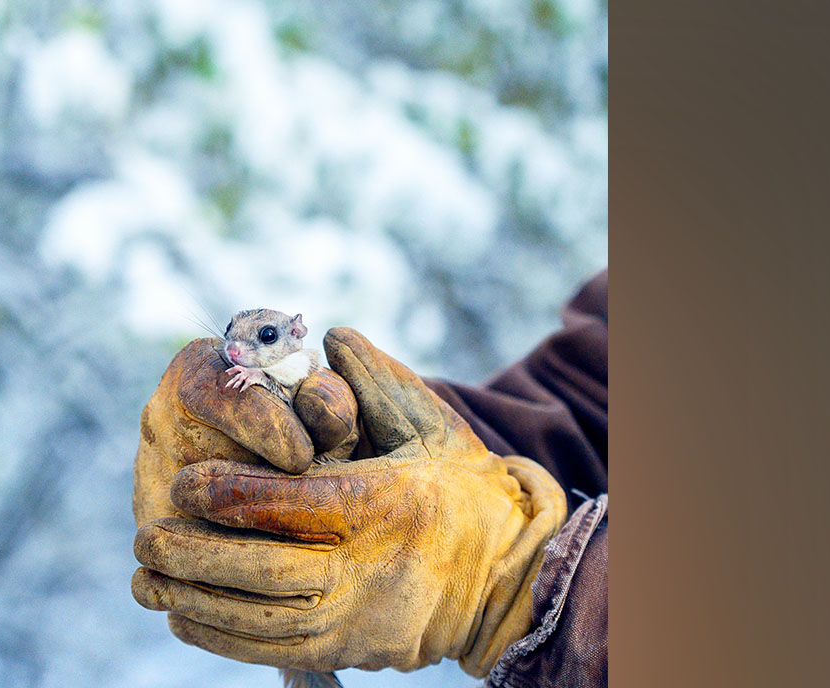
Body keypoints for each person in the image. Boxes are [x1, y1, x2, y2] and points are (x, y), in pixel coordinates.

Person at [131, 270, 608, 687]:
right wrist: (394, 440)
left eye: (266, 338)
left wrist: (512, 578)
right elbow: (582, 401)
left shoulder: (297, 366)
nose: (237, 348)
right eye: (233, 335)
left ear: (296, 335)